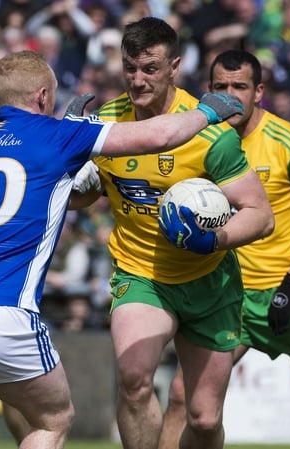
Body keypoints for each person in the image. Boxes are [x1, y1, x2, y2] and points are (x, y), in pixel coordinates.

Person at [0, 49, 246, 449]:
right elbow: (161, 135)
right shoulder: (60, 136)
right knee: (53, 420)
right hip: (1, 309)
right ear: (43, 96)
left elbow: (35, 181)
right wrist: (207, 111)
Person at [74, 18, 274, 449]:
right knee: (134, 380)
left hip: (209, 282)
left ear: (175, 67)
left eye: (150, 68)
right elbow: (84, 198)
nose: (137, 80)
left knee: (203, 418)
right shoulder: (106, 124)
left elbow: (261, 215)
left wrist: (214, 239)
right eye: (130, 68)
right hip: (141, 274)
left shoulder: (209, 133)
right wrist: (75, 182)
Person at [159, 49, 290, 449]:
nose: (230, 95)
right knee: (184, 396)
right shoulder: (199, 142)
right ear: (207, 91)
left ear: (259, 92)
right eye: (220, 86)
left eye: (239, 86)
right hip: (230, 295)